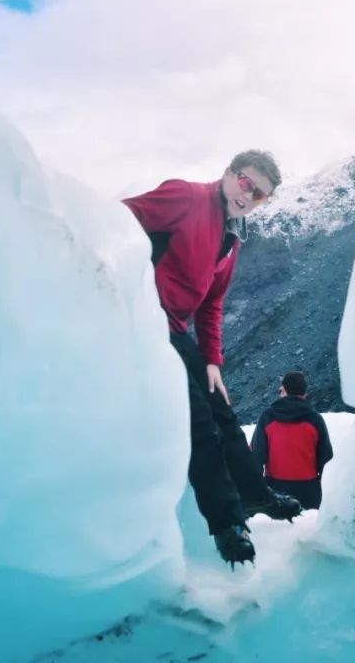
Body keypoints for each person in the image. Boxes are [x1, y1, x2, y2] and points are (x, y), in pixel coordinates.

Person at [122, 150, 303, 567]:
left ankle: (256, 496)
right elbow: (117, 223)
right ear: (228, 174)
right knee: (199, 423)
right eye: (245, 182)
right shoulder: (184, 197)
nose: (249, 195)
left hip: (176, 328)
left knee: (221, 410)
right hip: (146, 322)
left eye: (259, 195)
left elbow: (211, 305)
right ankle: (226, 524)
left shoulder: (232, 237)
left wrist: (212, 362)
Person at [250, 371, 333, 510]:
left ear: (284, 390)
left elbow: (256, 456)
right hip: (309, 491)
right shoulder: (315, 420)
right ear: (305, 394)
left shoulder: (268, 418)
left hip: (275, 490)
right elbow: (326, 457)